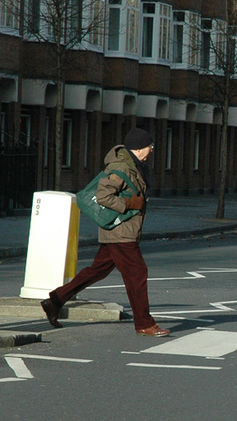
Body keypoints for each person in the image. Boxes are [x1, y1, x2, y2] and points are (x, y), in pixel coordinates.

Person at [40, 128, 170, 337]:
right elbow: (103, 196)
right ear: (139, 148)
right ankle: (144, 323)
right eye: (150, 146)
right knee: (137, 274)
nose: (151, 150)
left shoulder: (136, 166)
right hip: (120, 232)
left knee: (97, 270)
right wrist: (128, 203)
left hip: (121, 230)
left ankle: (55, 300)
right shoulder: (121, 167)